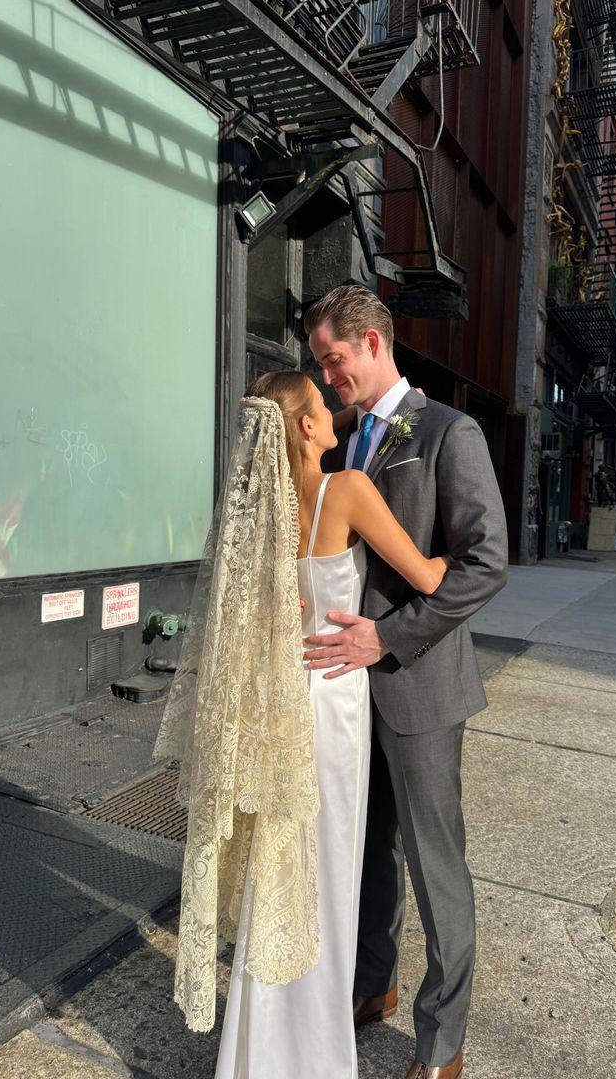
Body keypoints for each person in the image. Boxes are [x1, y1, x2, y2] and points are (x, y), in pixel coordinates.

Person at [155, 372, 451, 1079]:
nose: (337, 416)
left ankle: (259, 1050)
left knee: (279, 873)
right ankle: (314, 1057)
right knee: (328, 876)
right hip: (334, 702)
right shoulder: (346, 490)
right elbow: (431, 579)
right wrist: (450, 557)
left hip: (279, 704)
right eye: (325, 408)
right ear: (309, 430)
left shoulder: (262, 512)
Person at [304, 285, 509, 1079]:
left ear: (374, 342)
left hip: (420, 687)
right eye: (321, 366)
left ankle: (442, 1043)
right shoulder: (344, 435)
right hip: (351, 692)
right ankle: (372, 986)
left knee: (435, 866)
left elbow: (486, 564)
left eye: (335, 360)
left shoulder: (450, 434)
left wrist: (388, 637)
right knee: (368, 855)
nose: (328, 379)